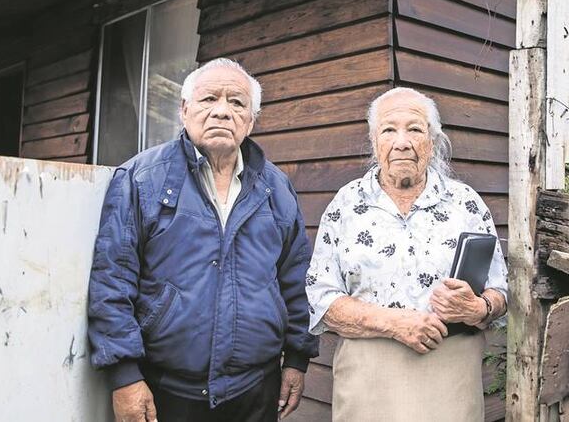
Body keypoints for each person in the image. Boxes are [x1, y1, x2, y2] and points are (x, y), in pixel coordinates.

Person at [88, 58, 318, 422]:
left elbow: (295, 278)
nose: (222, 112)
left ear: (251, 121)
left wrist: (297, 359)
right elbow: (111, 281)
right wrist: (125, 376)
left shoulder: (276, 189)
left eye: (237, 103)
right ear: (184, 110)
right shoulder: (140, 179)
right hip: (167, 390)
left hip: (256, 390)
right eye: (209, 99)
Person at [305, 87, 508, 421]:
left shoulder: (465, 203)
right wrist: (394, 322)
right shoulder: (346, 204)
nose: (402, 142)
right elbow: (321, 298)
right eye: (389, 130)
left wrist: (477, 307)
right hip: (367, 376)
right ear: (374, 141)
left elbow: (500, 291)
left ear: (433, 140)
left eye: (415, 129)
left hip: (450, 374)